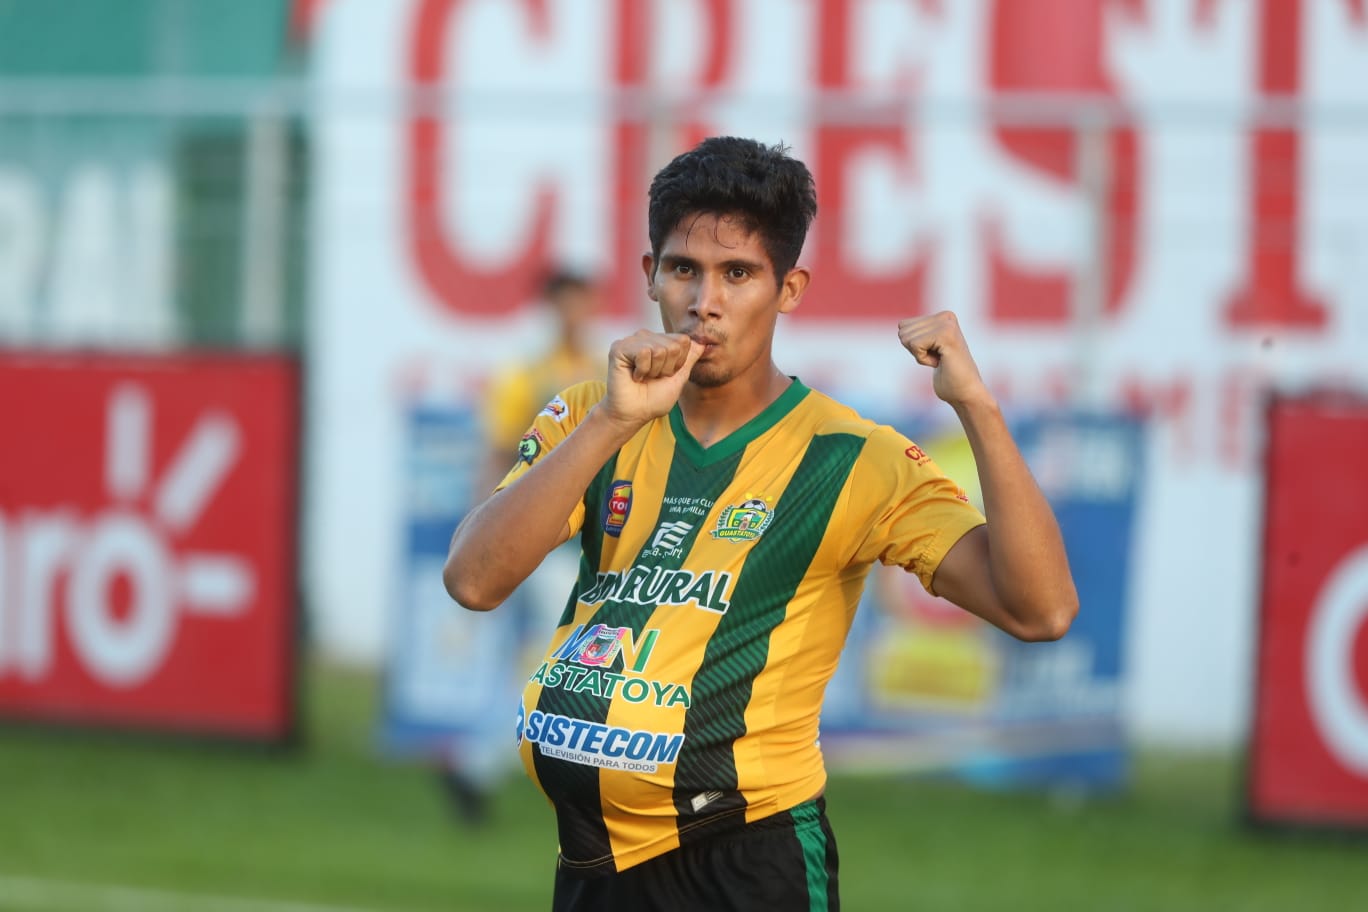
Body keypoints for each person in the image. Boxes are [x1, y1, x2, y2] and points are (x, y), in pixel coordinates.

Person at [443, 136, 1078, 910]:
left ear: (790, 289)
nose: (704, 301)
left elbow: (1040, 609)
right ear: (650, 278)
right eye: (683, 269)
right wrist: (611, 422)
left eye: (737, 274)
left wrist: (977, 407)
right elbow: (473, 580)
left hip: (748, 866)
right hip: (593, 865)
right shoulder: (589, 414)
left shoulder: (854, 458)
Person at [437, 268, 604, 824]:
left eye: (581, 301)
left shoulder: (606, 371)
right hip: (542, 543)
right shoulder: (527, 377)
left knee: (541, 658)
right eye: (566, 302)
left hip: (589, 542)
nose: (574, 313)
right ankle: (484, 764)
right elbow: (496, 454)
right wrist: (483, 531)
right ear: (552, 307)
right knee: (555, 659)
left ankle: (473, 764)